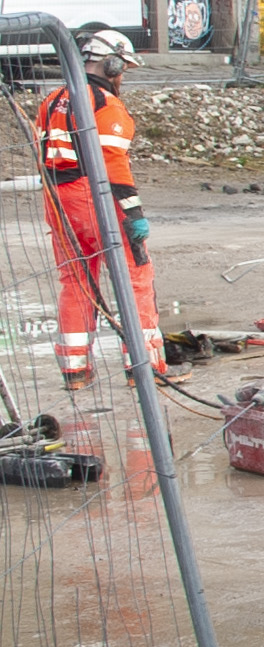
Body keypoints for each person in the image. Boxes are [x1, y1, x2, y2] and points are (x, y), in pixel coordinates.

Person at [40, 28, 165, 389]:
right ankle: (144, 366)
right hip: (96, 200)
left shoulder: (52, 99)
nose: (122, 75)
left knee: (76, 282)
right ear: (110, 64)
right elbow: (114, 165)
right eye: (122, 67)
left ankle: (75, 371)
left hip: (58, 201)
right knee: (135, 277)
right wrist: (134, 214)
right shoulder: (105, 105)